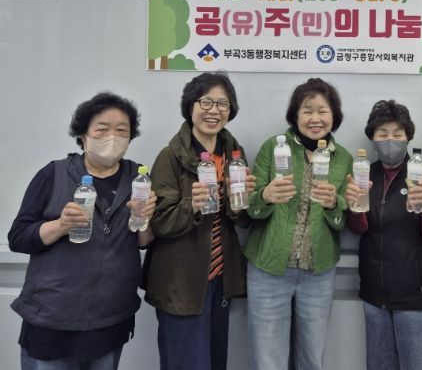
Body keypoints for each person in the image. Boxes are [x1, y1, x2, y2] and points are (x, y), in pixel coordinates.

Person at [8, 92, 156, 370]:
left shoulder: (138, 178)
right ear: (83, 135)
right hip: (52, 321)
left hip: (111, 320)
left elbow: (144, 241)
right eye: (102, 129)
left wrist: (145, 219)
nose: (112, 137)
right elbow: (18, 238)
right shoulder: (53, 174)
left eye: (121, 131)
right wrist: (61, 225)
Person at [142, 72, 256, 370]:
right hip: (180, 280)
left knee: (215, 361)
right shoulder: (170, 156)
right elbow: (160, 222)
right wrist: (191, 205)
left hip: (220, 278)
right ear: (190, 106)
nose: (214, 110)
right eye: (206, 102)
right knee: (186, 363)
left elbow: (243, 221)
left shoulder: (234, 154)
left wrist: (242, 199)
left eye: (222, 104)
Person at [244, 78, 353, 370]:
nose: (315, 118)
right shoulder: (273, 147)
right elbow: (250, 209)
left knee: (312, 359)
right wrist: (265, 197)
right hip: (268, 269)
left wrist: (334, 205)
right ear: (295, 115)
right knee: (268, 361)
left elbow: (342, 221)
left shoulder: (343, 158)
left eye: (323, 111)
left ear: (334, 116)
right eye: (307, 110)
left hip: (318, 273)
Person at [344, 100, 422, 370]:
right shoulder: (364, 174)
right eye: (382, 134)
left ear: (408, 137)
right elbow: (359, 228)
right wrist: (354, 206)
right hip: (374, 294)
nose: (390, 140)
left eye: (397, 134)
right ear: (372, 138)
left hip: (416, 296)